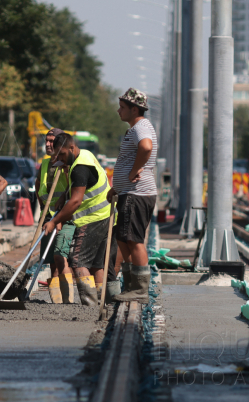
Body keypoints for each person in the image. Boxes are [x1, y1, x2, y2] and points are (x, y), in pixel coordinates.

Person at [44, 133, 116, 306]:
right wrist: (65, 194)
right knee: (97, 265)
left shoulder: (79, 168)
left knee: (78, 262)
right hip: (106, 215)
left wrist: (54, 221)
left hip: (92, 219)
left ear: (71, 147)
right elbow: (84, 184)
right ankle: (104, 302)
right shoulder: (85, 155)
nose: (60, 159)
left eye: (62, 155)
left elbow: (76, 201)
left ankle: (90, 304)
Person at [109, 88, 158, 303]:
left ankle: (139, 289)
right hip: (128, 193)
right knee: (123, 238)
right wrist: (117, 187)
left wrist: (134, 170)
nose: (118, 111)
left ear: (134, 109)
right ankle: (130, 285)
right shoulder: (136, 128)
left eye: (122, 107)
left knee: (134, 240)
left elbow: (146, 148)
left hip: (137, 194)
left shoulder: (142, 127)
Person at [34, 128, 74, 304]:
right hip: (48, 216)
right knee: (50, 260)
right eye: (47, 141)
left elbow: (72, 189)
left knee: (61, 256)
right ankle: (56, 302)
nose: (49, 144)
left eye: (52, 141)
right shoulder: (44, 163)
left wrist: (59, 218)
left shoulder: (65, 162)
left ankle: (68, 300)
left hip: (64, 216)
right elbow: (38, 185)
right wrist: (43, 208)